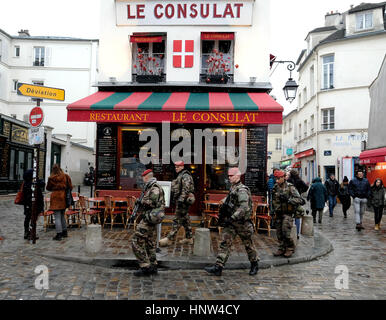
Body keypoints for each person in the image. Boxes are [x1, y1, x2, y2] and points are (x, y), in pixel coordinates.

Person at [204, 167, 258, 276]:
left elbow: (244, 207)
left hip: (242, 223)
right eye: (228, 176)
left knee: (248, 245)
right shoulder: (234, 188)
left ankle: (254, 264)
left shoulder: (242, 190)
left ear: (238, 176)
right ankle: (218, 266)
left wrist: (232, 217)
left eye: (231, 176)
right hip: (231, 223)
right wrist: (224, 202)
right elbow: (232, 199)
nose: (229, 178)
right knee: (225, 243)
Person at [131, 169, 165, 277]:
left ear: (146, 177)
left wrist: (140, 201)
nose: (142, 179)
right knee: (150, 243)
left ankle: (145, 266)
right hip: (150, 218)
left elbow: (152, 202)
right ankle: (153, 266)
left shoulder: (154, 188)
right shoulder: (150, 187)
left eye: (143, 177)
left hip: (149, 218)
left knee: (136, 240)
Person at [159, 161, 195, 246]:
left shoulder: (185, 176)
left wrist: (181, 200)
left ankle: (169, 238)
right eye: (175, 167)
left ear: (182, 166)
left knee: (177, 220)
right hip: (181, 200)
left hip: (183, 201)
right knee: (185, 219)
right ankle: (189, 238)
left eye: (178, 167)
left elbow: (186, 189)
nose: (176, 168)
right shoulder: (180, 175)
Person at [271, 170, 305, 257]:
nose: (277, 180)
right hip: (278, 213)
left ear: (283, 178)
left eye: (278, 178)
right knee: (279, 233)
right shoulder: (275, 187)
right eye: (276, 178)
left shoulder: (291, 187)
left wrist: (288, 200)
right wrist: (272, 209)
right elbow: (273, 200)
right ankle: (281, 248)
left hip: (287, 213)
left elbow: (300, 200)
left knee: (286, 232)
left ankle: (290, 248)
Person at [46, 164, 73, 240]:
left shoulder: (51, 178)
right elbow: (70, 186)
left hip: (55, 197)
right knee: (62, 215)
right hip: (63, 196)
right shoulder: (65, 176)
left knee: (57, 216)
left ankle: (59, 234)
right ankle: (65, 232)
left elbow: (48, 188)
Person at [22, 169, 45, 240]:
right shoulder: (34, 183)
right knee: (33, 218)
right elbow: (42, 184)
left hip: (27, 204)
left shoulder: (25, 183)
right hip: (34, 204)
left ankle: (27, 232)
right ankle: (31, 233)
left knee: (28, 218)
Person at [287, 169, 309, 238]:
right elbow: (306, 187)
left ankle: (290, 232)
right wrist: (300, 192)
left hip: (290, 199)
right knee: (297, 216)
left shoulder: (288, 180)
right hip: (297, 199)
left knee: (289, 215)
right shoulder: (299, 180)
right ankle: (296, 233)